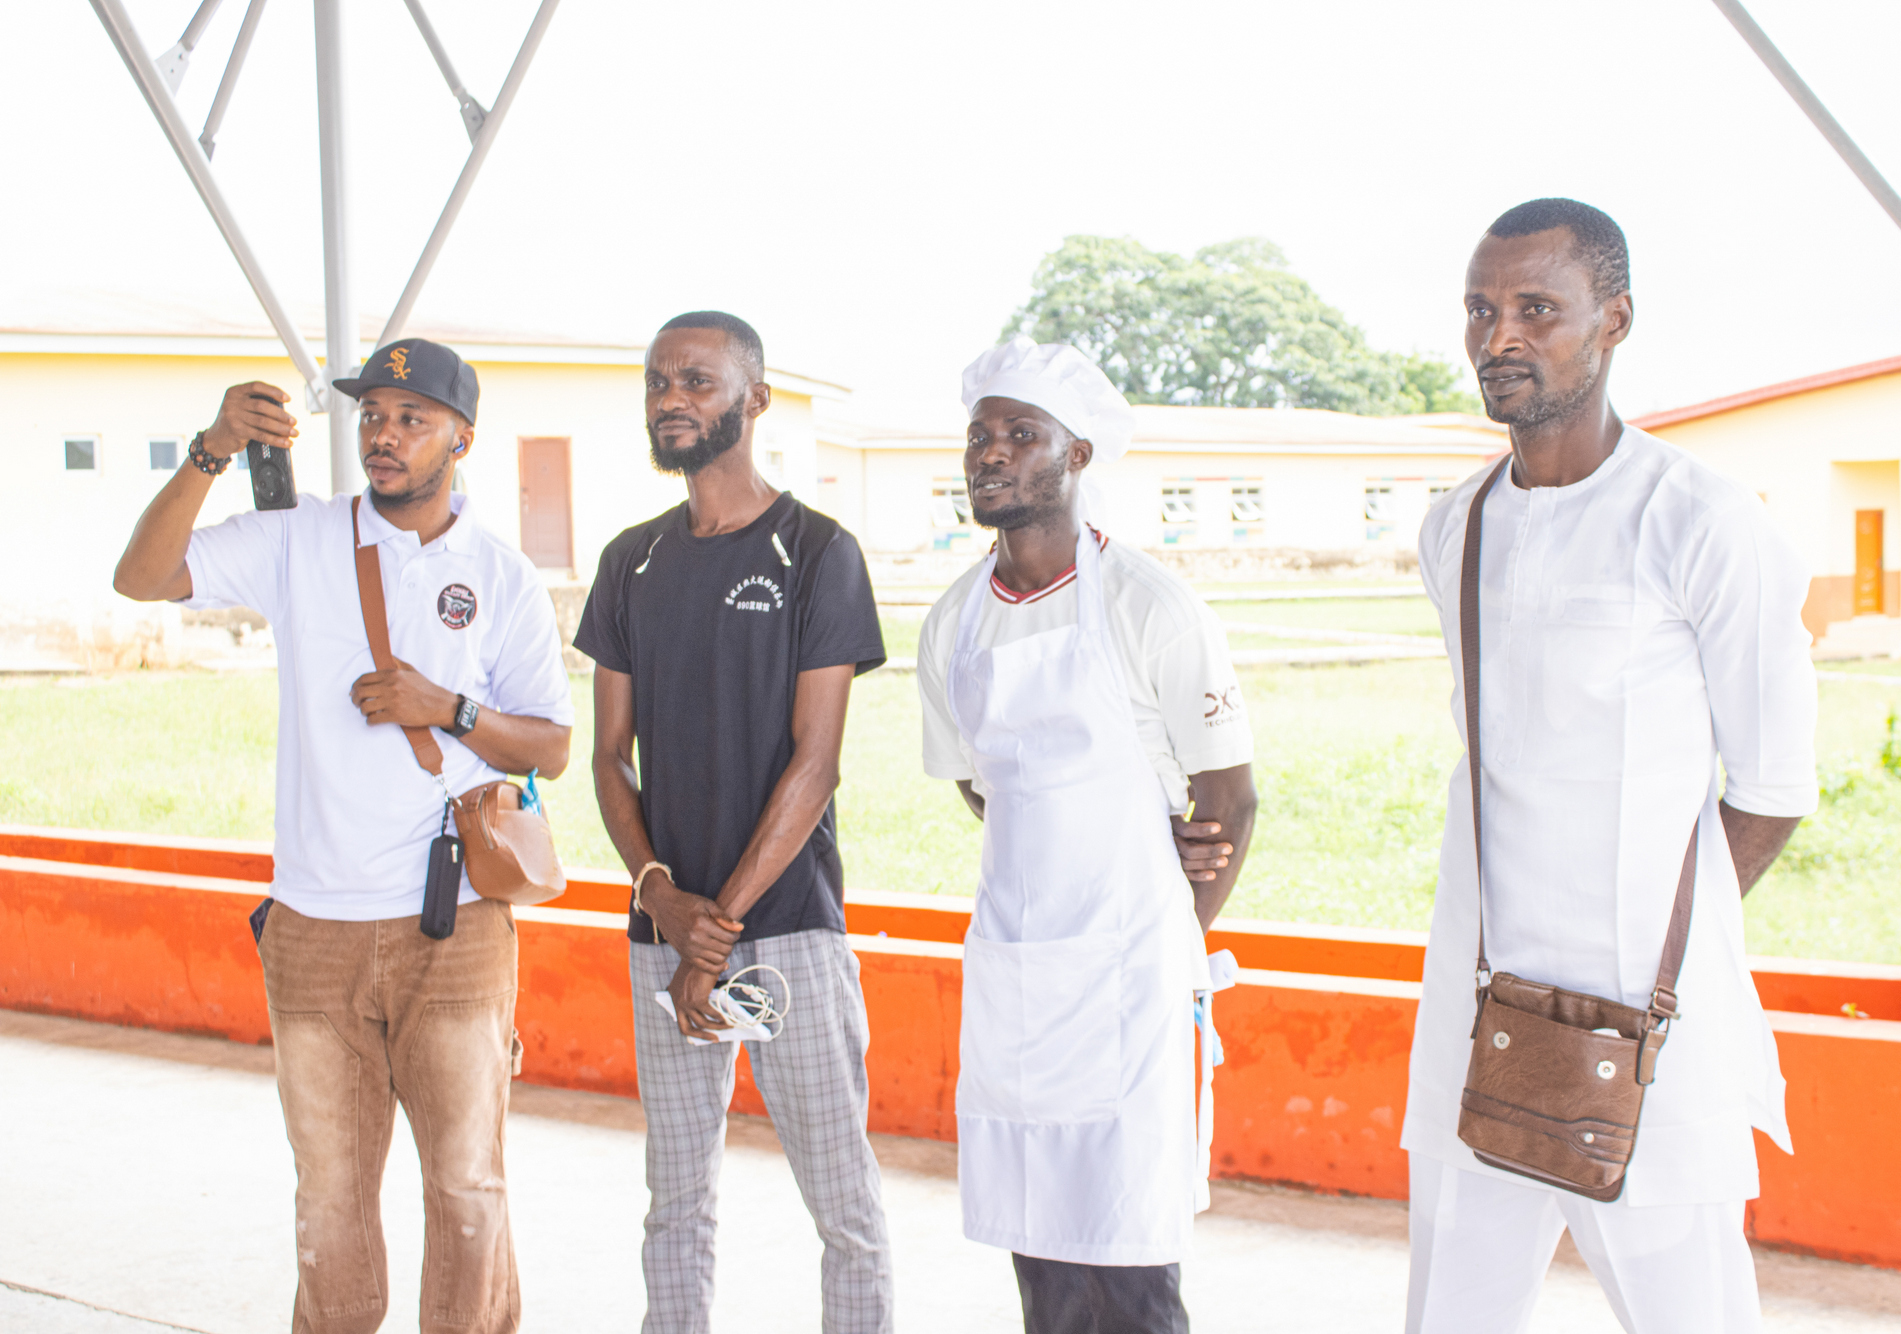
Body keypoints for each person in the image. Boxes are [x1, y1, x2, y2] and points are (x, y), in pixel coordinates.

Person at [1401, 198, 1818, 1332]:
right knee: (1448, 1311)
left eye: (1536, 309)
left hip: (1647, 1028)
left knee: (1690, 1313)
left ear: (1614, 320)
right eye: (1480, 310)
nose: (1499, 337)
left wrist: (1653, 941)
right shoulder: (1455, 526)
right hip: (1479, 1005)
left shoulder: (1700, 519)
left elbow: (1773, 787)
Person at [111, 338, 575, 1334]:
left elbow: (551, 743)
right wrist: (210, 450)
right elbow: (142, 577)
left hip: (455, 927)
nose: (384, 435)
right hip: (313, 930)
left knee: (467, 1185)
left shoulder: (501, 574)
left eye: (411, 418)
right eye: (372, 415)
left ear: (462, 438)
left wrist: (445, 707)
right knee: (328, 1197)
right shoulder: (300, 539)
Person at [916, 337, 1259, 1334]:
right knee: (1043, 1262)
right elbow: (983, 785)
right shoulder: (953, 624)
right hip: (1018, 971)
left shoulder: (1149, 605)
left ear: (1075, 456)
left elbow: (1229, 797)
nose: (990, 452)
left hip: (1130, 982)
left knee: (1132, 1263)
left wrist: (1163, 931)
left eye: (1021, 433)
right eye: (979, 435)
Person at [574, 311, 894, 1334]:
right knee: (675, 1202)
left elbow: (816, 763)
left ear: (753, 401)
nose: (671, 399)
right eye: (658, 381)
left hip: (786, 932)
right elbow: (608, 757)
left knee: (842, 1206)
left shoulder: (818, 551)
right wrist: (661, 897)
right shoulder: (629, 561)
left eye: (698, 381)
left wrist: (715, 930)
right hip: (663, 935)